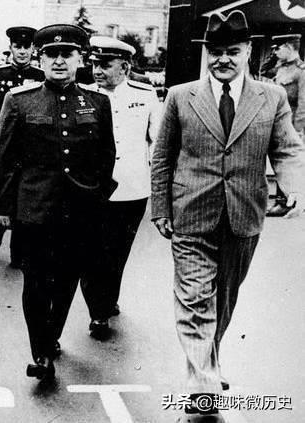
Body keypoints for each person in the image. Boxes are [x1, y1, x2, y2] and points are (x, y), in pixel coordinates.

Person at [151, 11, 304, 422]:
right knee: (194, 300)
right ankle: (202, 389)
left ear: (248, 51)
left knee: (222, 302)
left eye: (232, 52)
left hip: (243, 216)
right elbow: (163, 156)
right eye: (215, 52)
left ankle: (207, 364)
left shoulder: (272, 97)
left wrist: (295, 187)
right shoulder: (181, 96)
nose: (223, 60)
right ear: (206, 53)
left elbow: (287, 149)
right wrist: (160, 207)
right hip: (191, 214)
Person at [0, 24, 117, 381]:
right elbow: (5, 158)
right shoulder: (19, 100)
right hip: (34, 208)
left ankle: (51, 337)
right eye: (51, 54)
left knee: (66, 280)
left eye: (67, 54)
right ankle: (41, 352)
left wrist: (97, 196)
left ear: (81, 59)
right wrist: (4, 207)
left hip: (81, 210)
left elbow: (106, 155)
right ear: (40, 58)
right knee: (35, 282)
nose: (59, 61)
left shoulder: (98, 102)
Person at [80, 36, 161, 338]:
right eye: (94, 64)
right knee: (91, 253)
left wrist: (157, 180)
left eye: (105, 65)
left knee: (117, 252)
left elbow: (157, 142)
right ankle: (98, 312)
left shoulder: (145, 95)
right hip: (91, 190)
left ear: (125, 67)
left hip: (131, 189)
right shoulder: (83, 95)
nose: (97, 70)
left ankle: (106, 299)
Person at [0, 26, 45, 266]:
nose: (22, 51)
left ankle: (17, 249)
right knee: (0, 187)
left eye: (27, 47)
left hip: (29, 147)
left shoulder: (40, 76)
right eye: (18, 46)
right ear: (10, 48)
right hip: (1, 142)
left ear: (33, 49)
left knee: (22, 194)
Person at [266, 33, 305, 216]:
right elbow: (264, 71)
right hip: (278, 122)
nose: (276, 52)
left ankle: (288, 201)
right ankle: (281, 201)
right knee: (278, 160)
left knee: (289, 160)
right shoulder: (280, 68)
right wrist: (273, 57)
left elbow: (304, 103)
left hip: (293, 124)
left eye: (279, 48)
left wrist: (297, 130)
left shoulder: (301, 71)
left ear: (290, 47)